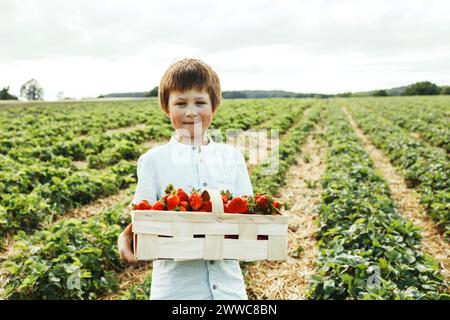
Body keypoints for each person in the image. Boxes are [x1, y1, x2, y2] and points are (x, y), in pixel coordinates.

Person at [117, 58, 253, 300]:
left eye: (200, 102)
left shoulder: (232, 157)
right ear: (166, 108)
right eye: (180, 103)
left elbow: (249, 219)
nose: (191, 112)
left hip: (229, 291)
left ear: (214, 107)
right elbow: (144, 218)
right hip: (176, 291)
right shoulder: (152, 161)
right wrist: (129, 233)